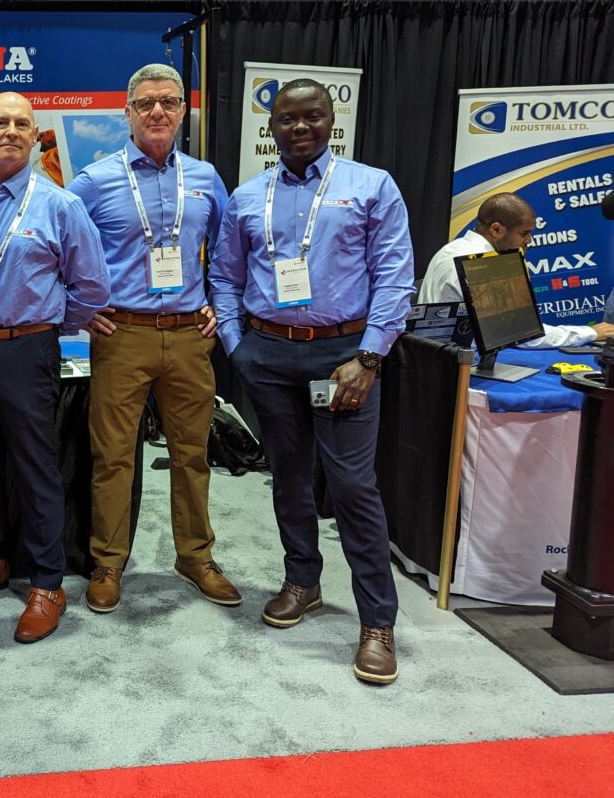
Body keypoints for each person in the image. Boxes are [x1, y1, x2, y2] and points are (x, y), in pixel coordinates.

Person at [210, 77, 414, 686]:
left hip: (343, 360)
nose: (300, 128)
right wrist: (235, 345)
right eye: (288, 119)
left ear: (333, 121)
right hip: (268, 357)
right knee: (289, 478)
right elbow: (223, 276)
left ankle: (378, 621)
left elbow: (395, 275)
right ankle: (303, 581)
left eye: (313, 117)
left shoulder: (370, 186)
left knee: (352, 486)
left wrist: (370, 357)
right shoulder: (249, 196)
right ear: (270, 127)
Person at [67, 63, 238, 615]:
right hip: (124, 335)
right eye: (145, 104)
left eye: (167, 102)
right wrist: (80, 309)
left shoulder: (207, 178)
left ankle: (195, 556)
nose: (157, 111)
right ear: (127, 113)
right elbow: (55, 246)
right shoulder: (94, 182)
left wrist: (220, 305)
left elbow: (232, 253)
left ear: (183, 112)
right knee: (113, 457)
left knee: (193, 455)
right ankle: (109, 562)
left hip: (190, 336)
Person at [0, 92, 109, 643]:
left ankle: (47, 580)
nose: (10, 131)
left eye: (21, 123)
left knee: (36, 467)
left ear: (35, 134)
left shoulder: (60, 205)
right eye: (0, 123)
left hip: (27, 348)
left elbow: (92, 287)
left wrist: (48, 328)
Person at [417, 192, 613, 345]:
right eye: (524, 233)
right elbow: (522, 336)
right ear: (496, 230)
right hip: (466, 372)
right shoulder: (482, 262)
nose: (529, 241)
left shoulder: (451, 248)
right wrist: (591, 332)